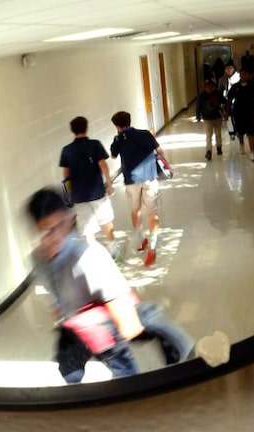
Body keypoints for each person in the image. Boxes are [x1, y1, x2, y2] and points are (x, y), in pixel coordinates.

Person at [26, 188, 194, 385]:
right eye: (46, 230)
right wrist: (62, 320)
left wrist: (125, 326)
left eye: (59, 226)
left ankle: (169, 342)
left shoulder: (87, 254)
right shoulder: (38, 258)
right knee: (69, 368)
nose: (53, 237)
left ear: (68, 221)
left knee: (123, 355)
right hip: (77, 321)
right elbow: (54, 294)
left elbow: (118, 302)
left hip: (106, 316)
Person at [109, 110, 164, 268]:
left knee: (136, 210)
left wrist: (119, 138)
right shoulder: (145, 134)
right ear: (129, 121)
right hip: (149, 177)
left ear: (117, 126)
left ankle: (140, 239)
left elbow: (113, 155)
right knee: (153, 212)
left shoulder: (118, 139)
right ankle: (152, 247)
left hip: (131, 180)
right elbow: (160, 151)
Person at [59, 116, 117, 252]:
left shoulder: (66, 150)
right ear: (87, 127)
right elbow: (103, 165)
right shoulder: (95, 144)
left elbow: (65, 174)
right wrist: (109, 184)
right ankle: (113, 249)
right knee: (106, 220)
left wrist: (69, 193)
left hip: (78, 195)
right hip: (97, 191)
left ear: (71, 130)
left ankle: (93, 254)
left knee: (86, 228)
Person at [196, 79, 225, 159]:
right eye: (208, 87)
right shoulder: (202, 96)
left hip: (217, 118)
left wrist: (225, 111)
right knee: (209, 135)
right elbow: (198, 106)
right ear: (205, 88)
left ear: (214, 87)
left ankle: (219, 148)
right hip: (207, 118)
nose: (210, 88)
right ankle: (208, 151)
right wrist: (198, 116)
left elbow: (224, 101)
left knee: (218, 134)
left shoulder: (218, 94)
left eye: (212, 87)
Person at [218, 62, 240, 140]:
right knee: (228, 117)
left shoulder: (238, 77)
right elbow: (220, 90)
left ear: (234, 69)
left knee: (236, 116)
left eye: (230, 68)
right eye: (227, 69)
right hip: (226, 101)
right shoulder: (222, 79)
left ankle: (237, 130)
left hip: (236, 100)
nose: (229, 70)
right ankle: (231, 132)